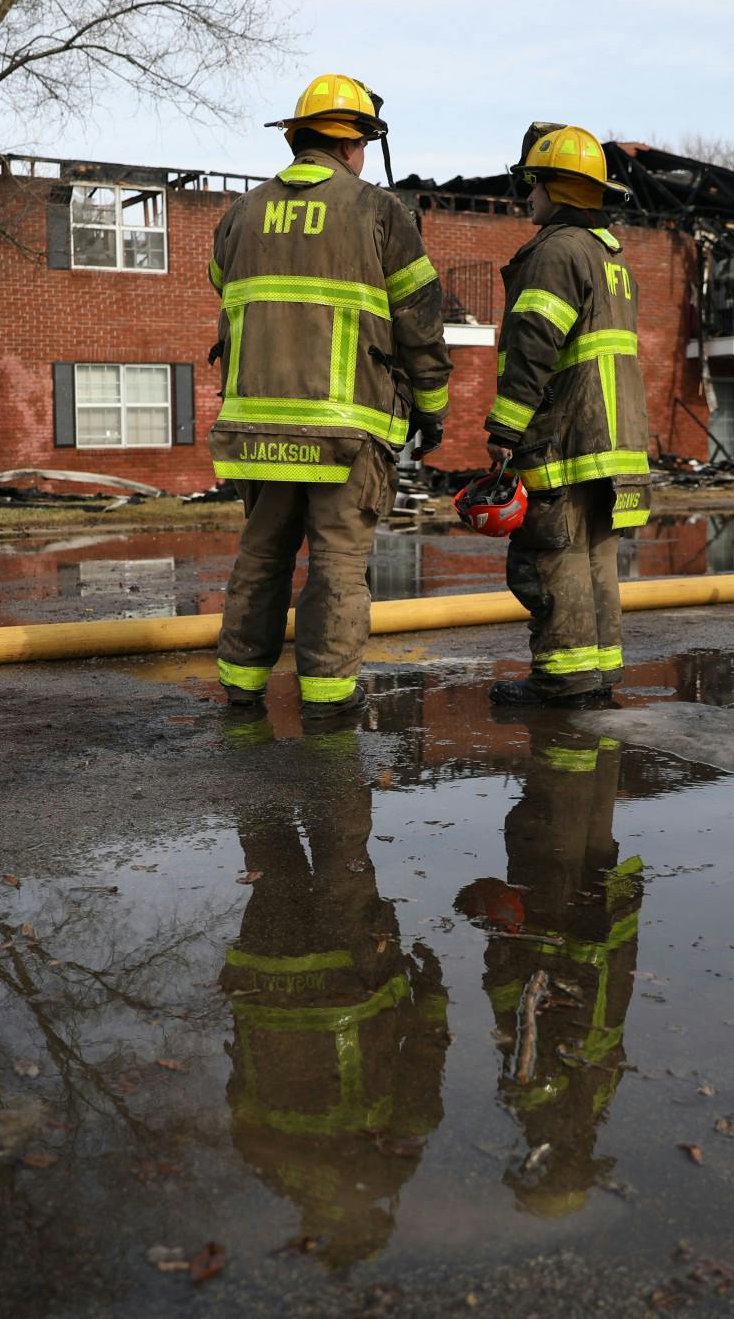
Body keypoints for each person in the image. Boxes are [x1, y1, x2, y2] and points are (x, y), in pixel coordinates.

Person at [207, 74, 452, 721]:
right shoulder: (379, 212)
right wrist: (431, 405)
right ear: (352, 145)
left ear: (297, 137)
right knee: (339, 565)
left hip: (258, 430)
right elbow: (421, 320)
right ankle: (328, 699)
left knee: (261, 555)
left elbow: (223, 289)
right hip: (348, 432)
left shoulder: (240, 214)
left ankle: (241, 686)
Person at [219, 735, 449, 1267]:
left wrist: (430, 992)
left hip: (353, 974)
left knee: (342, 857)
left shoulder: (385, 1164)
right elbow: (238, 1083)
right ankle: (255, 759)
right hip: (266, 976)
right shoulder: (269, 1165)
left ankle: (331, 749)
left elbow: (422, 1065)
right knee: (272, 865)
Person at [483, 123, 653, 708]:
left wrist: (506, 428)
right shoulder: (611, 258)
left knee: (553, 557)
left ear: (558, 188)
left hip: (565, 434)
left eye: (533, 183)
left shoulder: (556, 252)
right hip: (611, 439)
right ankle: (599, 673)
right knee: (597, 559)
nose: (526, 195)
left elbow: (533, 344)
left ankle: (565, 678)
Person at [456, 724, 644, 1217]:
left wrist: (505, 960)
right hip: (565, 927)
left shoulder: (582, 1101)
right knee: (562, 823)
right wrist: (505, 952)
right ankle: (581, 720)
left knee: (589, 827)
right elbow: (529, 1012)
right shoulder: (559, 1103)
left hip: (591, 926)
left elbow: (527, 1011)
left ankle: (590, 722)